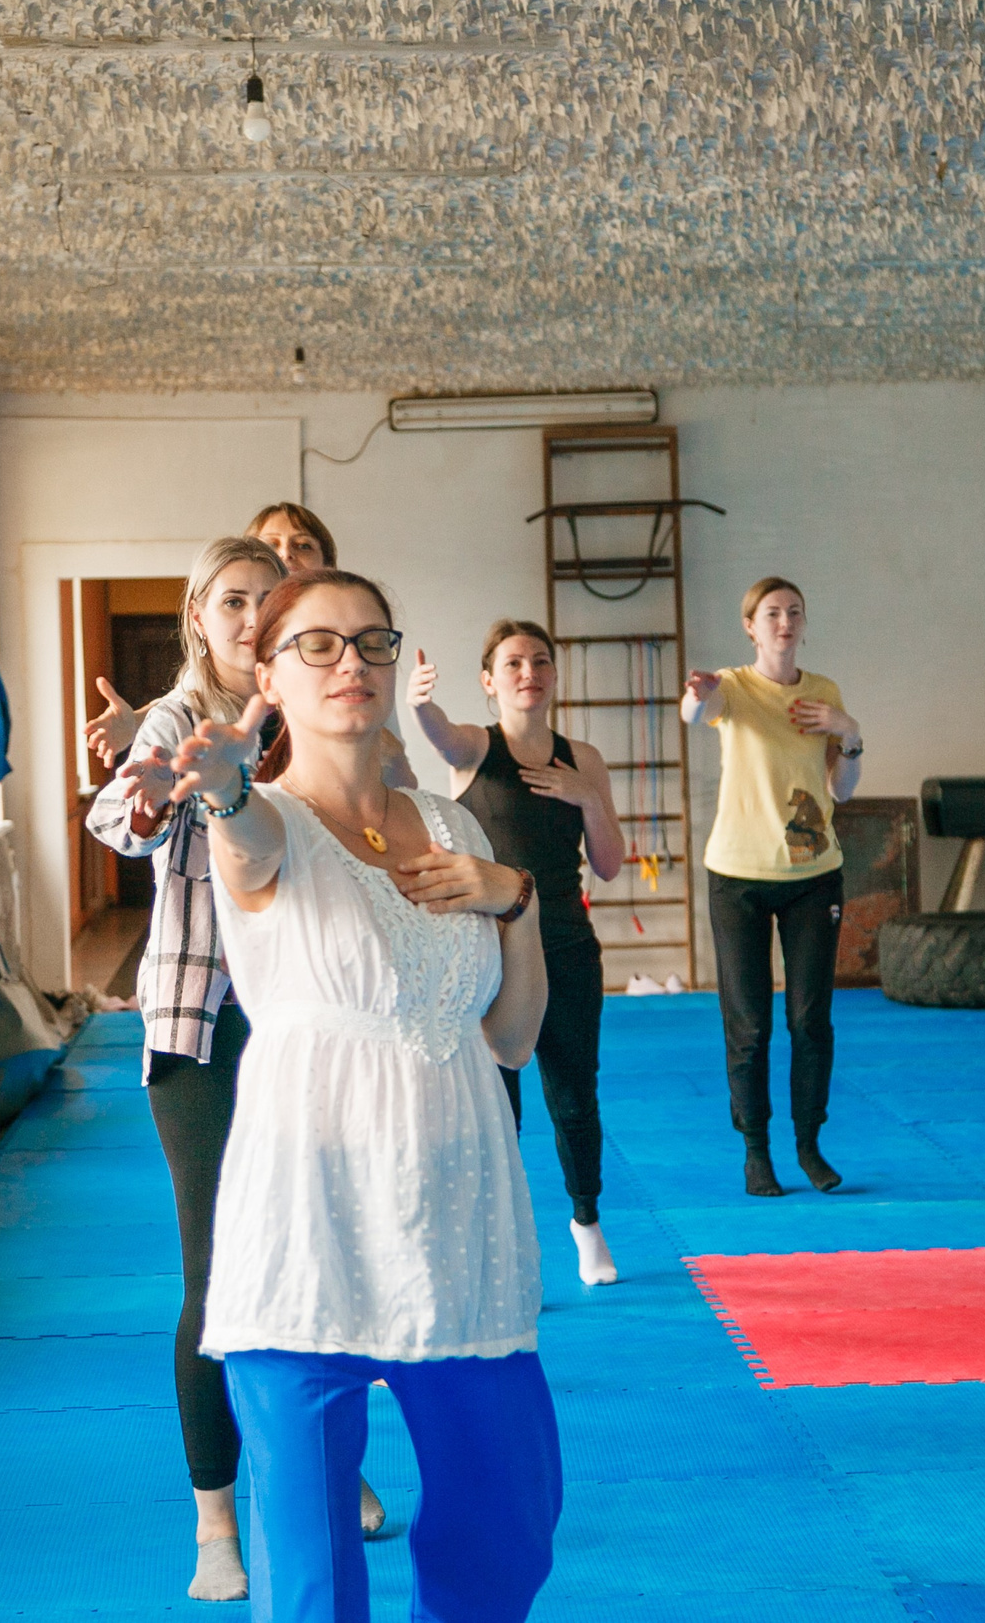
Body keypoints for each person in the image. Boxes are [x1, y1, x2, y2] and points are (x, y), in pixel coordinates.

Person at [166, 567, 561, 1623]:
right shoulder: (266, 820)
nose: (351, 663)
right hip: (307, 1221)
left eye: (372, 641)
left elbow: (512, 1036)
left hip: (457, 1216)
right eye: (318, 644)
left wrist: (515, 901)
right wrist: (227, 789)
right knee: (311, 1577)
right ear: (269, 676)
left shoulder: (455, 827)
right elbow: (246, 842)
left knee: (509, 1528)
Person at [81, 537, 382, 1599]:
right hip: (204, 1029)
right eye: (233, 601)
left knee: (324, 1255)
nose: (252, 618)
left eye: (268, 601)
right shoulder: (176, 720)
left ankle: (320, 1466)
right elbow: (119, 819)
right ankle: (216, 1516)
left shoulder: (307, 710)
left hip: (310, 1017)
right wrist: (154, 793)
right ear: (198, 618)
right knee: (216, 1275)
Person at [409, 619, 628, 1286]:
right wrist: (419, 703)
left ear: (554, 674)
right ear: (490, 680)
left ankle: (587, 1220)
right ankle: (498, 1234)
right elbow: (442, 735)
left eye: (540, 661)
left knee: (574, 1092)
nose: (528, 672)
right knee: (495, 1100)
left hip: (565, 940)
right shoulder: (476, 747)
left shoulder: (583, 758)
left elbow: (610, 864)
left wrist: (588, 798)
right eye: (513, 663)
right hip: (489, 946)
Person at [682, 577, 863, 1199]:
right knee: (750, 1023)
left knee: (810, 1019)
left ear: (804, 625)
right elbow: (696, 713)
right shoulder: (732, 687)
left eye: (794, 612)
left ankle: (809, 1144)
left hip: (813, 874)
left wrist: (849, 731)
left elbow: (841, 790)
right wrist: (697, 695)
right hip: (738, 876)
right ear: (751, 627)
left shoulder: (825, 693)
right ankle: (756, 1151)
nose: (784, 622)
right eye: (772, 613)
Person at [244, 501, 416, 791]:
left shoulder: (361, 659)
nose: (286, 554)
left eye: (303, 546)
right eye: (271, 544)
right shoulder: (232, 650)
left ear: (328, 567)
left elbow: (401, 780)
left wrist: (388, 753)